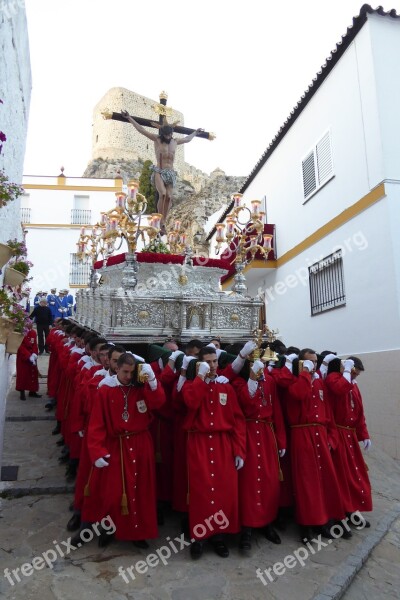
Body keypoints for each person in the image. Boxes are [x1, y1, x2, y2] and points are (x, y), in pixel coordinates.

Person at [182, 346, 246, 559]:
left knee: (222, 490)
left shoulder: (226, 388)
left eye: (214, 362)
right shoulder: (193, 385)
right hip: (199, 443)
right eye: (207, 362)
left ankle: (218, 536)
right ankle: (199, 537)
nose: (211, 366)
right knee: (201, 491)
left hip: (222, 444)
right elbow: (190, 402)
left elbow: (237, 420)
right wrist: (200, 377)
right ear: (200, 363)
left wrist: (239, 450)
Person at [121, 110, 204, 233]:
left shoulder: (175, 142)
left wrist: (195, 132)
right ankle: (160, 219)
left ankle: (164, 221)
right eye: (166, 135)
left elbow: (187, 139)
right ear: (162, 134)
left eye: (169, 135)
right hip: (159, 171)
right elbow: (141, 130)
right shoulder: (157, 140)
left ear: (171, 134)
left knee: (169, 197)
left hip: (171, 173)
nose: (168, 137)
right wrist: (129, 118)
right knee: (163, 194)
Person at [15, 322, 41, 400]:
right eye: (29, 323)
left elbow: (35, 344)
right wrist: (28, 356)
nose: (31, 325)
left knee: (33, 373)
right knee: (23, 374)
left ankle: (32, 391)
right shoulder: (20, 332)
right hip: (23, 357)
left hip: (32, 355)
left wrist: (34, 353)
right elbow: (20, 345)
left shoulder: (33, 332)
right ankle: (22, 391)